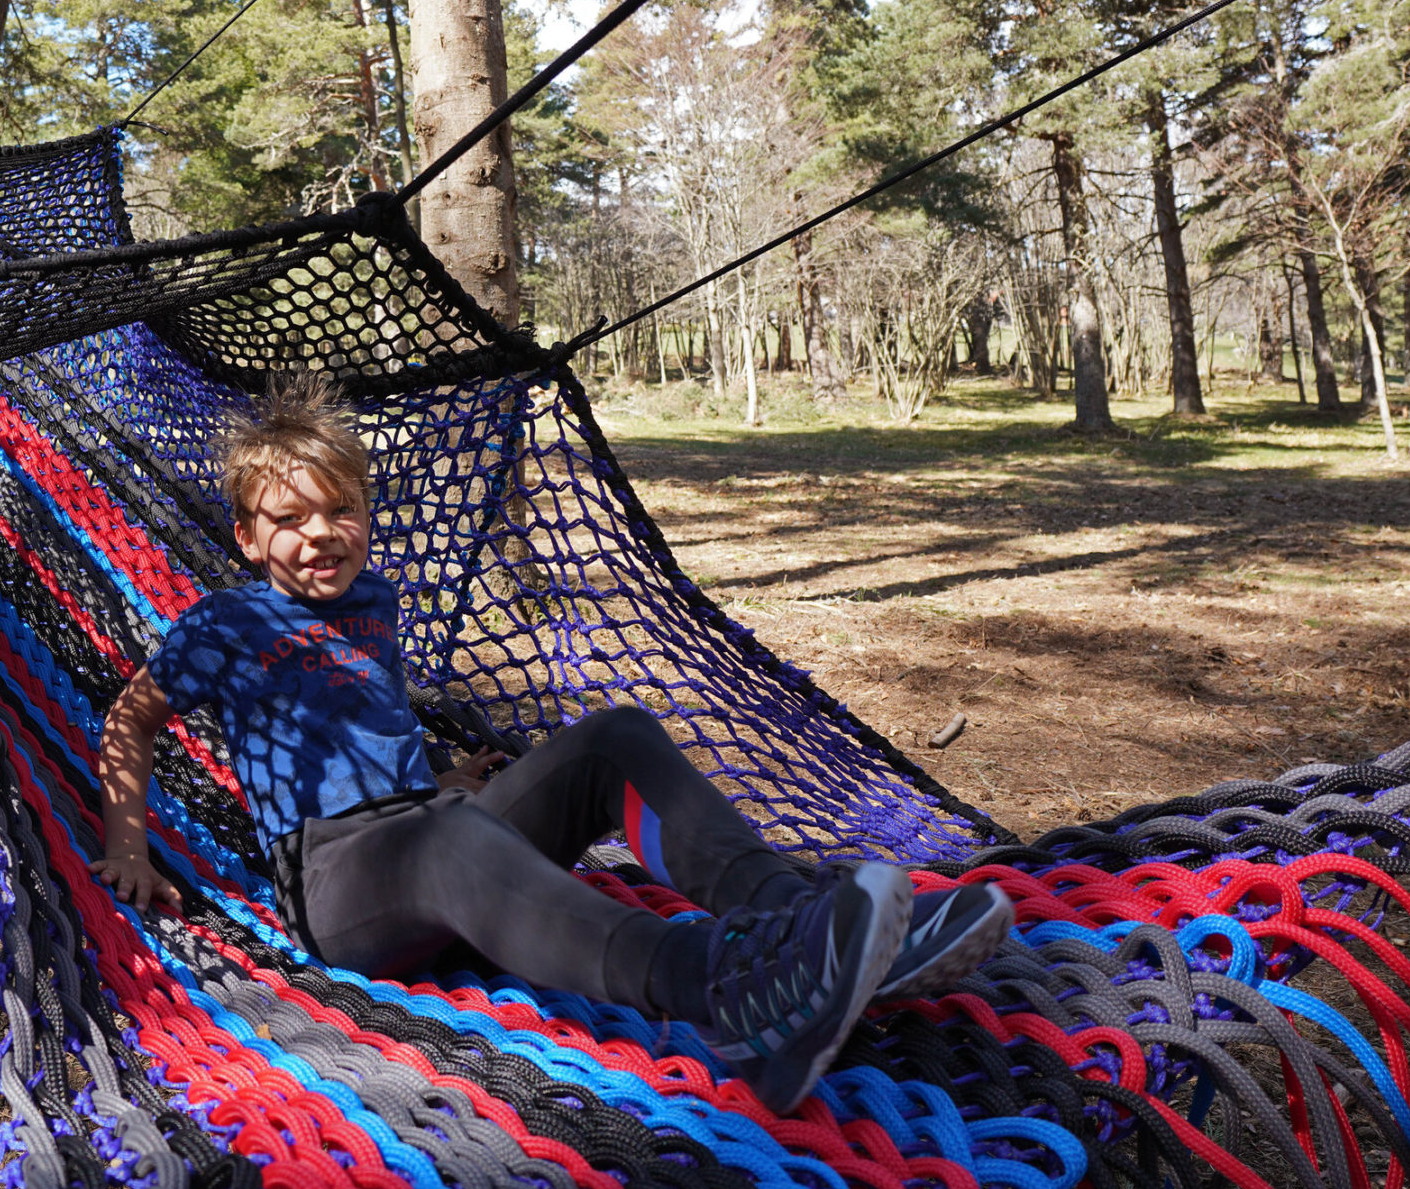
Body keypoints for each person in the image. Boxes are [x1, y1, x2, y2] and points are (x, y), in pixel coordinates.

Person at [91, 375, 1013, 1114]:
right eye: (287, 521)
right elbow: (129, 718)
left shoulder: (372, 601)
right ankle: (728, 990)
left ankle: (788, 924)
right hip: (340, 888)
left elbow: (355, 707)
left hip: (433, 825)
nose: (318, 534)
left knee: (612, 736)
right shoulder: (226, 624)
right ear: (248, 538)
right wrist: (127, 846)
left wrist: (433, 773)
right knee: (444, 837)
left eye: (337, 510)